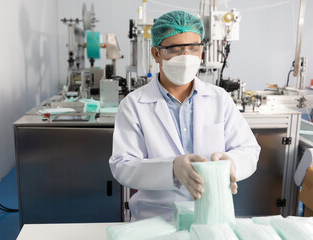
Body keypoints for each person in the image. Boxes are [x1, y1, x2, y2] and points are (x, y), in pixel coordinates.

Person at [109, 10, 260, 222]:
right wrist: (171, 168)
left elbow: (249, 150)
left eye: (193, 49)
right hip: (156, 218)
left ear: (202, 52)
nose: (186, 58)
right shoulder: (133, 105)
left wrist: (232, 163)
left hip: (213, 214)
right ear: (156, 54)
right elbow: (122, 166)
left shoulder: (219, 98)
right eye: (175, 50)